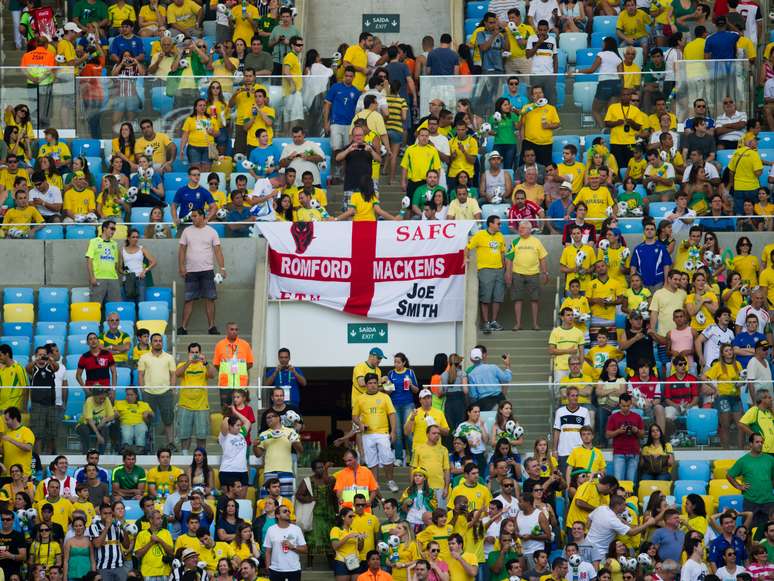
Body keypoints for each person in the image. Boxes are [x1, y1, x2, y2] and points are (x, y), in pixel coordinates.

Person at [178, 208, 226, 335]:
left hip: (207, 270)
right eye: (192, 216)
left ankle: (211, 327)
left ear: (202, 216)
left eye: (194, 216)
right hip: (191, 271)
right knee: (189, 299)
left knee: (210, 299)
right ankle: (183, 327)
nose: (192, 218)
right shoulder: (186, 231)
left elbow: (218, 251)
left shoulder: (212, 232)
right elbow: (182, 250)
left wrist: (222, 268)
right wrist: (182, 266)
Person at [352, 373, 398, 492]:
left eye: (374, 383)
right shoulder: (360, 398)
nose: (372, 385)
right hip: (367, 435)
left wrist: (393, 431)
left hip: (383, 433)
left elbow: (392, 414)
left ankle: (390, 481)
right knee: (372, 461)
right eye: (370, 383)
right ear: (366, 385)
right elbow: (355, 416)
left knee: (387, 458)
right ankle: (375, 484)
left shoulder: (385, 397)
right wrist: (360, 424)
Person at [504, 220, 549, 331]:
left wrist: (545, 273)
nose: (520, 229)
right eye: (519, 227)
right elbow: (509, 259)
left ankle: (535, 324)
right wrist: (508, 273)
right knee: (517, 299)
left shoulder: (536, 242)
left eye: (523, 228)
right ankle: (518, 324)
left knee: (535, 299)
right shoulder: (515, 242)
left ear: (529, 230)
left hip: (533, 274)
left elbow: (542, 258)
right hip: (517, 274)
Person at [586, 496, 655, 566]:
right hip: (599, 554)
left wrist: (590, 531)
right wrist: (648, 523)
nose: (625, 508)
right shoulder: (613, 520)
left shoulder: (601, 508)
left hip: (586, 546)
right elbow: (631, 532)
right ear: (617, 506)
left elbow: (589, 518)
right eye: (624, 505)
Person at [727, 433, 774, 535]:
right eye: (757, 442)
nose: (760, 444)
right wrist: (738, 486)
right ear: (750, 444)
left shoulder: (770, 460)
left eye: (761, 442)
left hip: (769, 501)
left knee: (770, 532)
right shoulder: (743, 461)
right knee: (746, 533)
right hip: (751, 501)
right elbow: (729, 475)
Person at [467, 215, 506, 334]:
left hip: (499, 270)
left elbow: (502, 253)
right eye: (498, 223)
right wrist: (466, 259)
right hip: (485, 270)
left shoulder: (500, 236)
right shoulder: (479, 235)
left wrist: (504, 269)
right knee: (485, 298)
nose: (500, 225)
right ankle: (486, 322)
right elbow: (467, 247)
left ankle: (494, 321)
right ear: (490, 224)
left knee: (497, 298)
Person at [212, 323, 254, 406]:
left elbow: (250, 363)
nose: (234, 331)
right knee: (226, 409)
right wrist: (226, 371)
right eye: (232, 329)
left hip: (240, 384)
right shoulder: (220, 345)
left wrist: (240, 371)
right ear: (227, 331)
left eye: (236, 329)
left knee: (241, 409)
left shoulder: (245, 345)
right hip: (225, 384)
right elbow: (216, 364)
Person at [605, 394, 644, 482]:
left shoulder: (637, 417)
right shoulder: (613, 417)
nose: (626, 408)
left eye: (628, 406)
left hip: (634, 453)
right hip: (619, 453)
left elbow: (642, 435)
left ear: (631, 404)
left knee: (631, 482)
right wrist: (618, 431)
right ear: (619, 404)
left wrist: (636, 430)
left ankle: (631, 496)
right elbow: (607, 435)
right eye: (623, 406)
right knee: (618, 482)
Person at [553, 386, 591, 473]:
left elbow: (587, 432)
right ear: (567, 397)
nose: (575, 398)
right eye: (573, 395)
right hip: (563, 451)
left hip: (580, 451)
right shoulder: (560, 411)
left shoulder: (584, 411)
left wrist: (588, 449)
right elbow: (556, 431)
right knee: (565, 480)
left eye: (577, 395)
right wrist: (555, 450)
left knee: (580, 479)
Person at [263, 503, 306, 581]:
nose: (288, 513)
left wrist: (293, 547)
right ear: (277, 515)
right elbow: (268, 551)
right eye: (285, 511)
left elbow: (305, 549)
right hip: (275, 570)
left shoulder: (296, 529)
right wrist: (267, 567)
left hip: (294, 570)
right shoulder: (271, 529)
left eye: (288, 511)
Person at [88, 503, 131, 581]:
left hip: (119, 566)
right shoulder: (94, 526)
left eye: (110, 513)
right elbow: (97, 544)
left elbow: (126, 546)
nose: (108, 516)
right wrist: (107, 527)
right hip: (103, 567)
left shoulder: (117, 526)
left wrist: (123, 529)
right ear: (100, 514)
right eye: (105, 513)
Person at [85, 220, 122, 305]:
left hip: (113, 278)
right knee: (96, 306)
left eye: (114, 229)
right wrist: (92, 277)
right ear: (104, 228)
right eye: (111, 228)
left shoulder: (115, 244)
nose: (113, 231)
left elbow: (116, 264)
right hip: (99, 278)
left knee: (114, 306)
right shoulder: (94, 241)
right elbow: (89, 260)